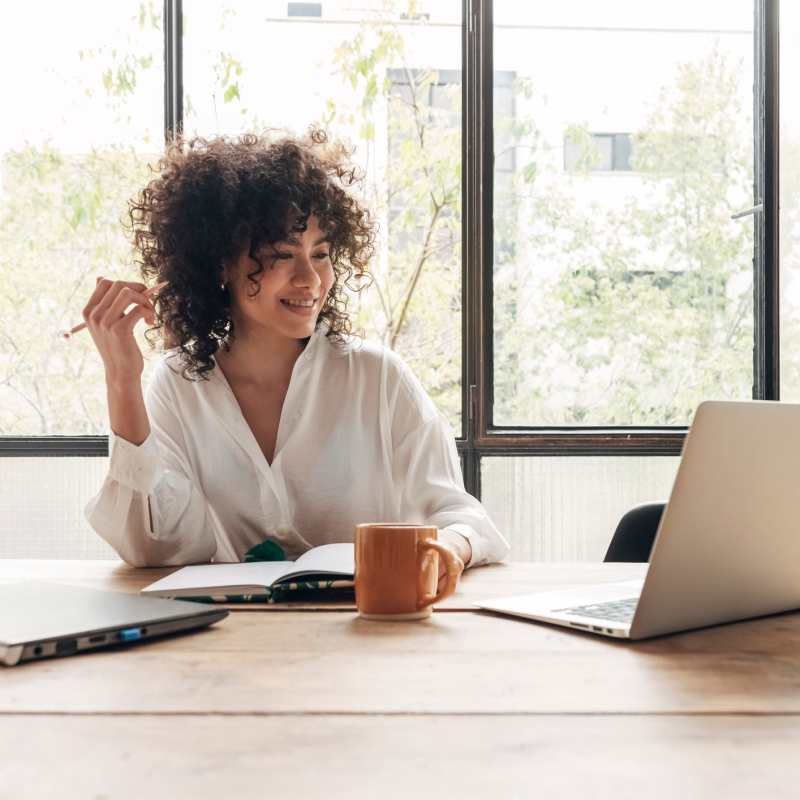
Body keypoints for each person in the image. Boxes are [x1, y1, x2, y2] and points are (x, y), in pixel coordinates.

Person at [83, 128, 510, 589]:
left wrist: (449, 548)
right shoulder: (178, 384)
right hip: (233, 640)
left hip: (370, 636)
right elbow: (155, 549)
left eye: (321, 254)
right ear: (220, 264)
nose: (310, 279)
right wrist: (122, 381)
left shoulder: (377, 377)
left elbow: (465, 518)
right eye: (282, 255)